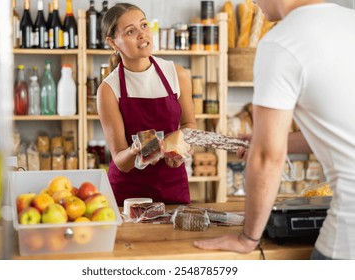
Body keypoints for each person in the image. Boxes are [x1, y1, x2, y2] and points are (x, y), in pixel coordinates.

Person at [194, 0, 355, 260]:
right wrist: (268, 140)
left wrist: (248, 238)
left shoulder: (282, 41)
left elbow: (268, 157)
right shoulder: (350, 21)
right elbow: (339, 134)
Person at [97, 3, 196, 206]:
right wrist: (136, 151)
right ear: (113, 43)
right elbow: (120, 160)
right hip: (128, 194)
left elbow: (189, 126)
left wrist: (182, 150)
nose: (142, 35)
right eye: (131, 31)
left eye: (144, 25)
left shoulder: (176, 73)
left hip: (172, 186)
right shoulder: (108, 89)